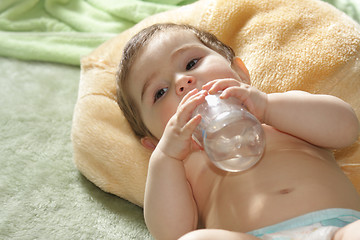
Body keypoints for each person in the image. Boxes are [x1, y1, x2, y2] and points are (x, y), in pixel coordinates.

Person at [116, 23, 360, 240]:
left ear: (239, 72)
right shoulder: (183, 165)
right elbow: (171, 233)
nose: (183, 82)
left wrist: (267, 106)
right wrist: (167, 156)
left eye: (191, 63)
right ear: (153, 141)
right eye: (160, 92)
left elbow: (347, 128)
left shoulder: (283, 113)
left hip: (339, 229)